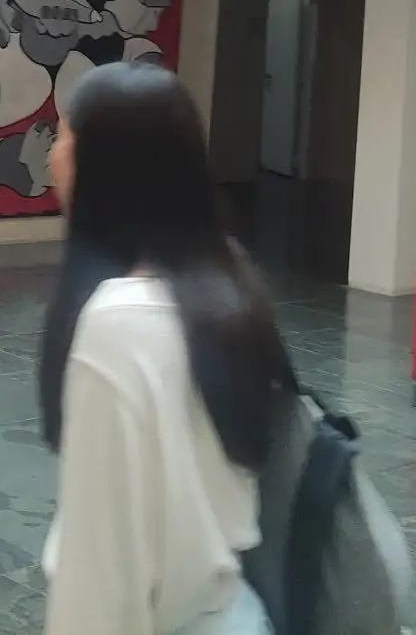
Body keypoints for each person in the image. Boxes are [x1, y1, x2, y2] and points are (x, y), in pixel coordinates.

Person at [40, 62, 290, 635]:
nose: (54, 156)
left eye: (63, 137)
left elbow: (103, 581)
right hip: (232, 611)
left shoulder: (117, 325)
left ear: (102, 166)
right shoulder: (227, 282)